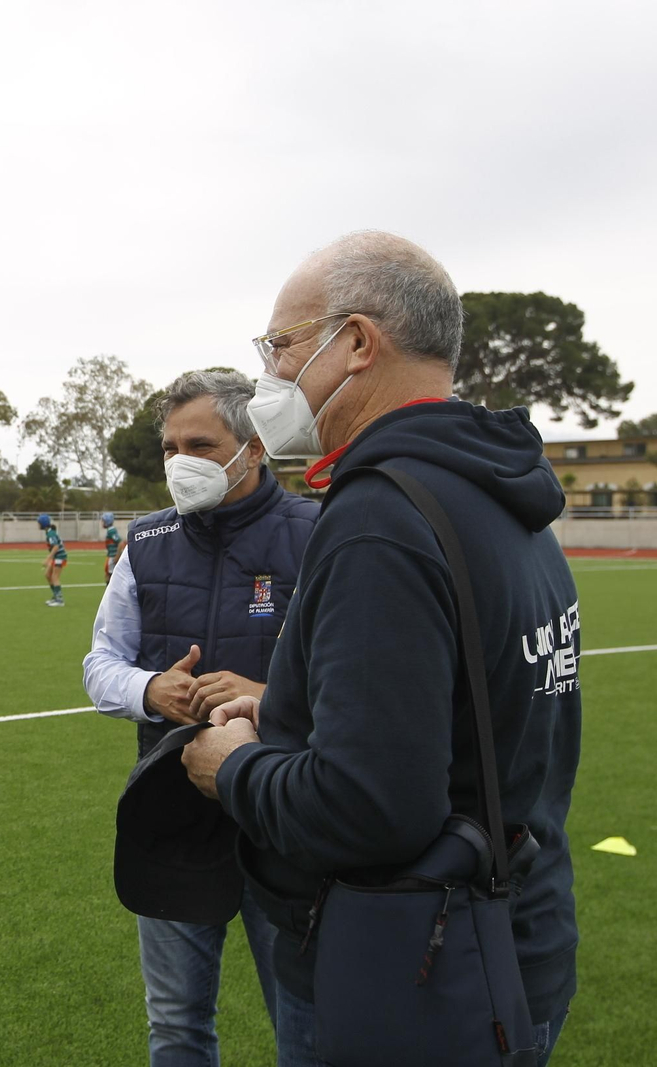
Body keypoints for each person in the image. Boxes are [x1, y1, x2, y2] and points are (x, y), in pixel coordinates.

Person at [182, 232, 581, 1066]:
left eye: (281, 345)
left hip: (415, 973)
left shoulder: (382, 515)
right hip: (516, 943)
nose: (271, 375)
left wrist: (235, 766)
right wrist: (292, 709)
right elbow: (476, 712)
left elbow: (371, 808)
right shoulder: (503, 489)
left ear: (357, 343)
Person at [83, 370, 319, 1066]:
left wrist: (265, 695)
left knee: (304, 1024)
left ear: (254, 448)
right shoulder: (147, 541)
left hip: (286, 818)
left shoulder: (318, 531)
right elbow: (101, 666)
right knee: (178, 1026)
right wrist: (152, 689)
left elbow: (358, 681)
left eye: (201, 444)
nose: (180, 461)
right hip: (174, 814)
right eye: (169, 446)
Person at [37, 512, 67, 605]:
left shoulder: (50, 533)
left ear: (43, 524)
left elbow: (56, 546)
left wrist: (48, 559)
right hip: (56, 557)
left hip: (60, 557)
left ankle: (59, 600)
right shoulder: (49, 532)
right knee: (47, 575)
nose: (37, 525)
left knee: (55, 577)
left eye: (39, 523)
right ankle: (55, 596)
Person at [101, 512, 121, 580]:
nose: (102, 522)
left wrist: (117, 556)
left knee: (110, 576)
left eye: (103, 521)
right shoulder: (110, 530)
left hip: (112, 557)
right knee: (108, 574)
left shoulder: (111, 531)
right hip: (110, 556)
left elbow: (120, 542)